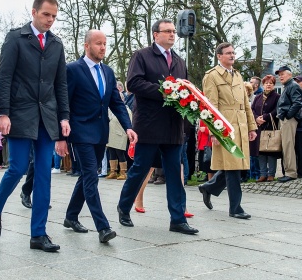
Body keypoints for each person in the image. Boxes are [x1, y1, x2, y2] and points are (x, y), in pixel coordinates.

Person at [0, 0, 70, 252]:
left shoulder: (56, 44)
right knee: (18, 167)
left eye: (54, 16)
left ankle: (38, 234)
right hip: (20, 115)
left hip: (48, 118)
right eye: (46, 14)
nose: (50, 20)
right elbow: (4, 77)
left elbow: (61, 84)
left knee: (44, 173)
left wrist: (64, 116)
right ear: (34, 12)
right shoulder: (16, 38)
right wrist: (2, 113)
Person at [117, 18, 198, 234]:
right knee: (140, 169)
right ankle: (124, 208)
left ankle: (178, 219)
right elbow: (133, 83)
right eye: (168, 31)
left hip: (173, 127)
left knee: (174, 173)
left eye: (173, 31)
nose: (172, 34)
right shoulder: (142, 56)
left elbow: (186, 90)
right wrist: (165, 91)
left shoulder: (179, 61)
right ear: (155, 34)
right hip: (150, 124)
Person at [59, 29, 137, 243]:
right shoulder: (73, 70)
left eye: (105, 43)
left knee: (87, 175)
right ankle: (103, 227)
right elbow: (64, 102)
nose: (103, 47)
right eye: (98, 43)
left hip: (101, 132)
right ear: (87, 46)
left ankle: (70, 216)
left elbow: (116, 103)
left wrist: (128, 127)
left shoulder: (108, 72)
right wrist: (62, 136)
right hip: (80, 132)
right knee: (91, 177)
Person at [198, 42, 257, 219]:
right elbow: (211, 105)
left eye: (233, 52)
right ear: (219, 56)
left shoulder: (238, 75)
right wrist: (214, 131)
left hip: (241, 125)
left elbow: (246, 104)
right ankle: (235, 208)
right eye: (228, 53)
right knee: (233, 168)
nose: (232, 55)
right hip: (224, 126)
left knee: (236, 165)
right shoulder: (212, 76)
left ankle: (208, 187)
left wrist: (252, 126)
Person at [274, 66, 302, 182]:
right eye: (279, 75)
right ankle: (288, 171)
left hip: (289, 119)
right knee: (286, 146)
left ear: (289, 75)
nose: (280, 76)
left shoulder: (293, 86)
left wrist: (288, 115)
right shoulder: (288, 86)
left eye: (282, 74)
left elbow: (297, 103)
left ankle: (291, 173)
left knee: (288, 145)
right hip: (286, 118)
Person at [251, 75, 280, 182]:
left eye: (271, 83)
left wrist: (266, 117)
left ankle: (271, 174)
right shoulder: (258, 97)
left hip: (270, 127)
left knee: (270, 150)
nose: (268, 85)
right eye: (266, 83)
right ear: (263, 85)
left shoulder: (277, 97)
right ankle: (263, 174)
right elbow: (252, 110)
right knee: (261, 151)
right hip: (259, 127)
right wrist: (256, 118)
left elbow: (277, 110)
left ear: (273, 85)